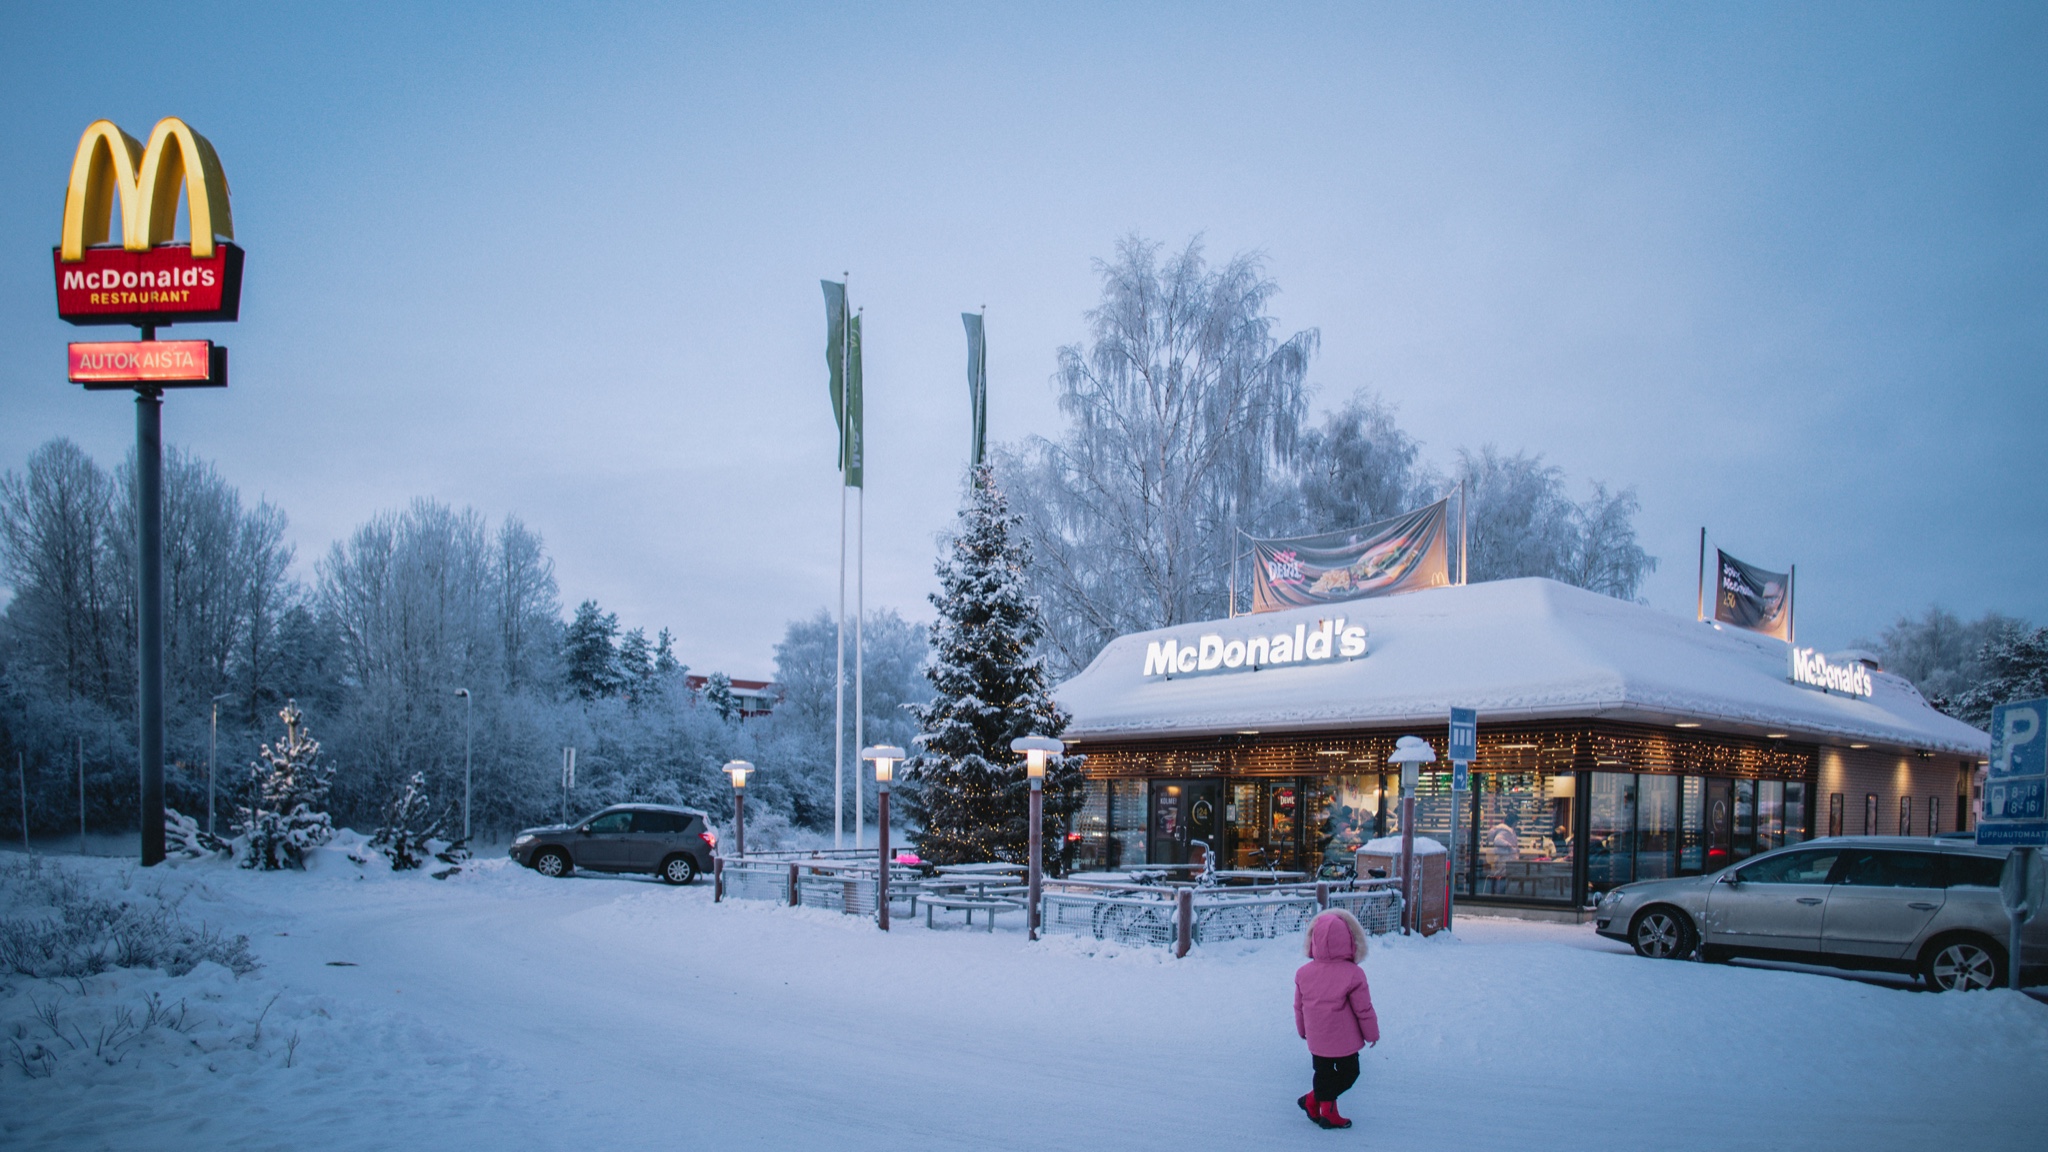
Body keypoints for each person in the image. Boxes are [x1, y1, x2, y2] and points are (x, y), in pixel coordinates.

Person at [1293, 908, 1378, 1130]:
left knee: (1323, 1074)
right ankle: (1323, 1109)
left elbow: (1299, 1007)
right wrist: (1372, 1034)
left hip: (1317, 1038)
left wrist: (1302, 1030)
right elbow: (1363, 1009)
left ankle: (1315, 1102)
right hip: (1344, 1041)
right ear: (1351, 940)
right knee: (1350, 1073)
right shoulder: (1353, 974)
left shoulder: (1303, 973)